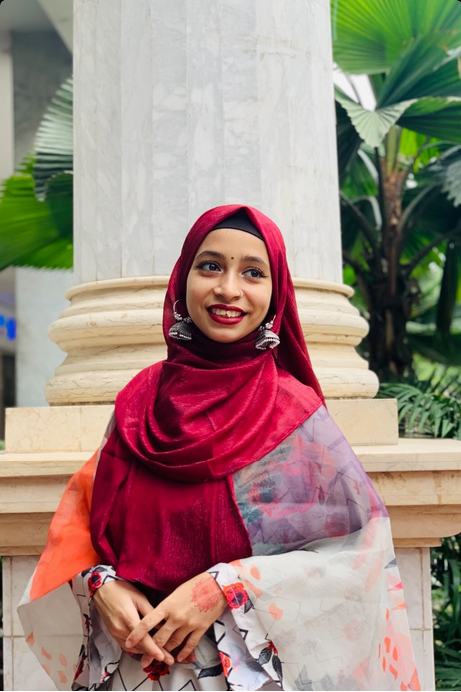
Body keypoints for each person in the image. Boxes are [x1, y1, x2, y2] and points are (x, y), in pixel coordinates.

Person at [18, 205, 420, 691]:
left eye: (253, 272)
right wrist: (101, 585)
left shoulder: (294, 417)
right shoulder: (141, 403)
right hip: (134, 672)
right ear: (182, 279)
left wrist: (223, 588)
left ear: (276, 294)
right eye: (210, 266)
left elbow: (356, 557)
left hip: (248, 674)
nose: (229, 289)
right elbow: (82, 524)